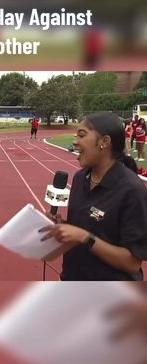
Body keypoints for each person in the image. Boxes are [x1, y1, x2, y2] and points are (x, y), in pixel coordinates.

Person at [39, 111, 147, 281]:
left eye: (82, 135)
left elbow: (132, 263)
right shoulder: (80, 178)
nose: (75, 141)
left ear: (104, 142)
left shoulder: (131, 190)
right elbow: (85, 228)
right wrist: (63, 227)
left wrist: (84, 237)